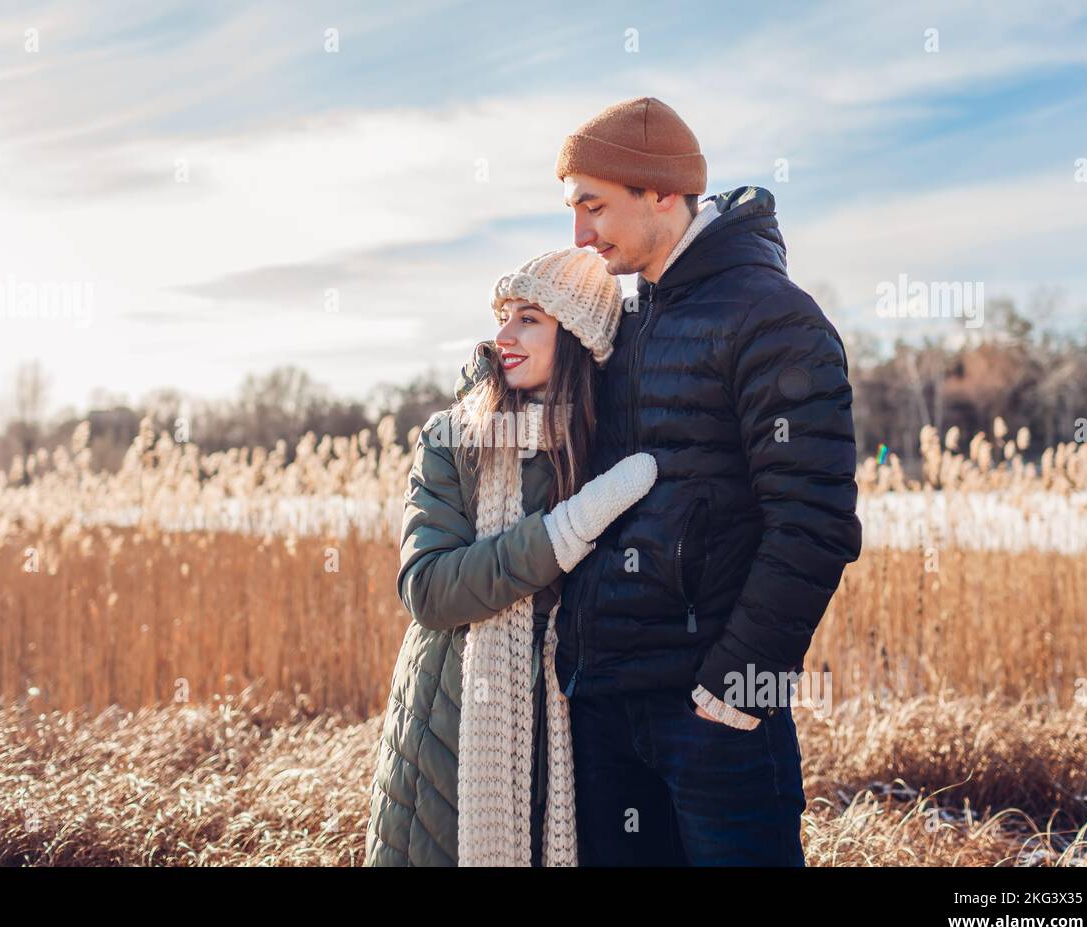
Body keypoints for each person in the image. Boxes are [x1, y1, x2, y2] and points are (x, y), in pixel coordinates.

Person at [551, 96, 864, 865]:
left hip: (712, 713)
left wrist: (741, 684)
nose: (580, 233)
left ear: (661, 193)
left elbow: (815, 519)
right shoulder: (620, 323)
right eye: (572, 209)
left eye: (594, 206)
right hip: (605, 704)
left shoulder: (772, 317)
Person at [364, 246, 658, 866]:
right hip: (450, 723)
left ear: (578, 337)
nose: (504, 335)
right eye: (504, 315)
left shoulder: (604, 447)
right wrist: (564, 531)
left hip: (574, 729)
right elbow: (431, 590)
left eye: (529, 318)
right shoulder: (456, 437)